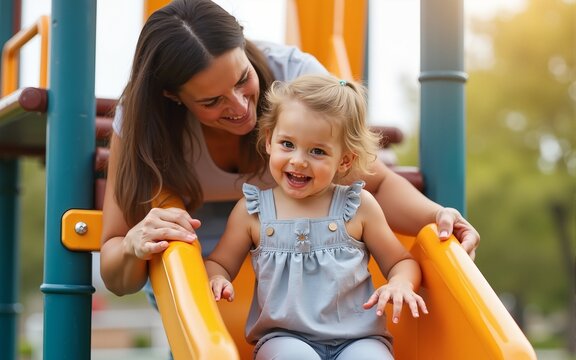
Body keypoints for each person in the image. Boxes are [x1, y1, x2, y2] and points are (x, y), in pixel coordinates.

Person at [100, 0, 479, 300]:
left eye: (242, 79)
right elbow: (116, 270)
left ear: (244, 46)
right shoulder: (144, 122)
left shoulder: (294, 78)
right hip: (203, 244)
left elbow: (374, 183)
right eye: (213, 101)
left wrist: (441, 217)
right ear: (172, 97)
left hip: (303, 239)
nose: (240, 107)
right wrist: (132, 246)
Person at [205, 74, 428, 359]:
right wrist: (217, 278)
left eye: (317, 151)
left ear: (344, 160)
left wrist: (400, 283)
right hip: (283, 337)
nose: (299, 160)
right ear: (269, 141)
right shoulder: (253, 212)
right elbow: (219, 262)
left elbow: (401, 261)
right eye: (287, 144)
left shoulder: (358, 206)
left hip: (359, 337)